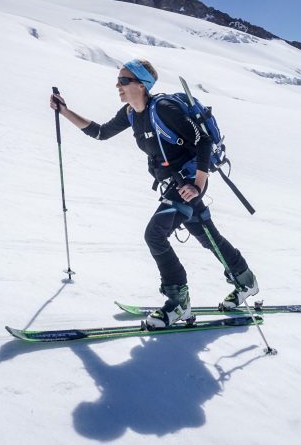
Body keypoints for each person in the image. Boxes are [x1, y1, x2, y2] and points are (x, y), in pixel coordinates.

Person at [49, 59, 258, 328]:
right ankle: (246, 280)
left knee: (155, 235)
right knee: (206, 235)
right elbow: (100, 133)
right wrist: (64, 111)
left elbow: (203, 141)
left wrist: (197, 184)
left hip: (190, 180)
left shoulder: (164, 108)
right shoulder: (130, 113)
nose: (118, 85)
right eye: (118, 80)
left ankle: (178, 301)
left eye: (124, 81)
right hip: (176, 183)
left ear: (142, 84)